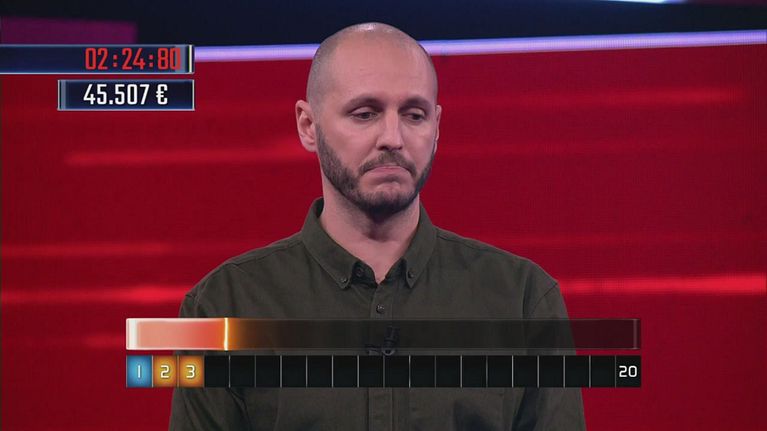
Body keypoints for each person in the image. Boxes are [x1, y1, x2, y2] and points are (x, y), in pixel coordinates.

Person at [169, 22, 585, 430]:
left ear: (437, 127)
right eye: (365, 114)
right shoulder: (224, 306)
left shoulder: (522, 299)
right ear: (308, 126)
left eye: (414, 115)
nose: (393, 137)